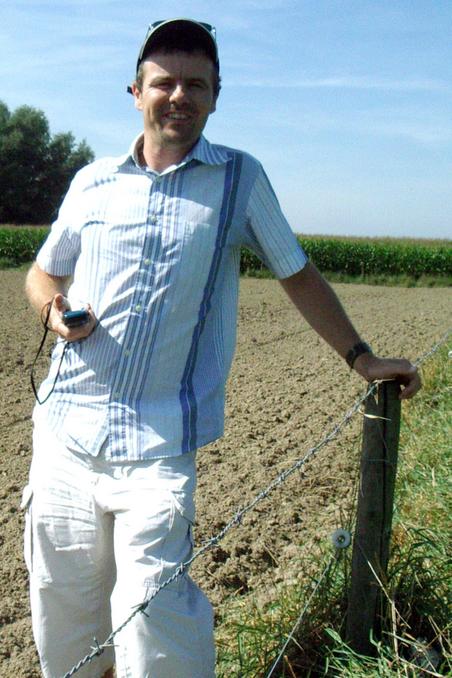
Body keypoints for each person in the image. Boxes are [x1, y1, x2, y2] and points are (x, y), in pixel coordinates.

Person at [23, 17, 421, 678]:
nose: (178, 96)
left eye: (196, 85)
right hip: (66, 430)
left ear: (215, 96)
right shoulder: (93, 182)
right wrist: (54, 309)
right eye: (164, 82)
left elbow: (296, 272)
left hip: (160, 442)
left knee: (156, 613)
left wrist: (361, 357)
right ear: (136, 92)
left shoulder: (240, 180)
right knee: (61, 609)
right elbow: (42, 272)